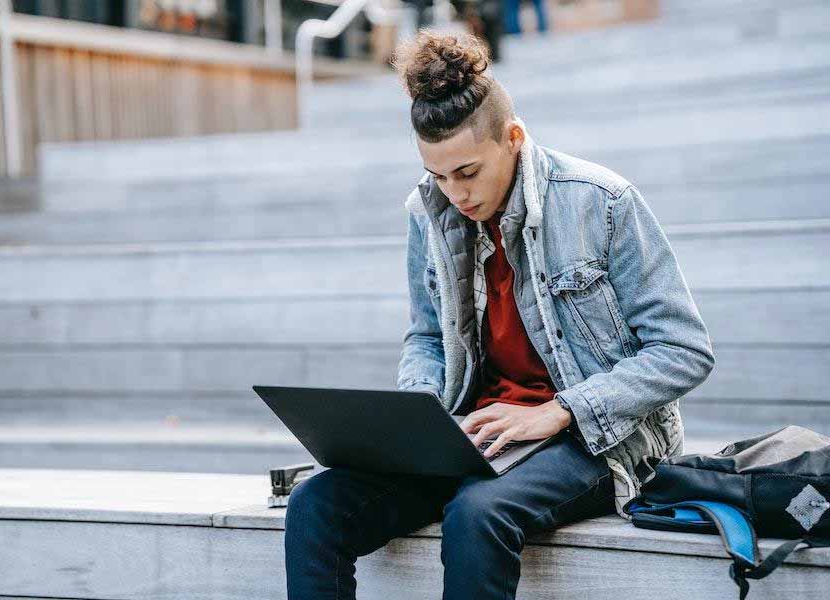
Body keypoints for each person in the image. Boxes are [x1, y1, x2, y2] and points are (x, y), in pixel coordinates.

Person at [284, 30, 715, 600]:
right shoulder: (429, 211)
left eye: (466, 172)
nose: (454, 193)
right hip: (475, 431)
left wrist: (562, 411)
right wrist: (421, 415)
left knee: (477, 513)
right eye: (438, 175)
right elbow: (427, 336)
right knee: (316, 502)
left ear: (513, 139)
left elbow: (683, 351)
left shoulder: (601, 201)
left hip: (593, 439)